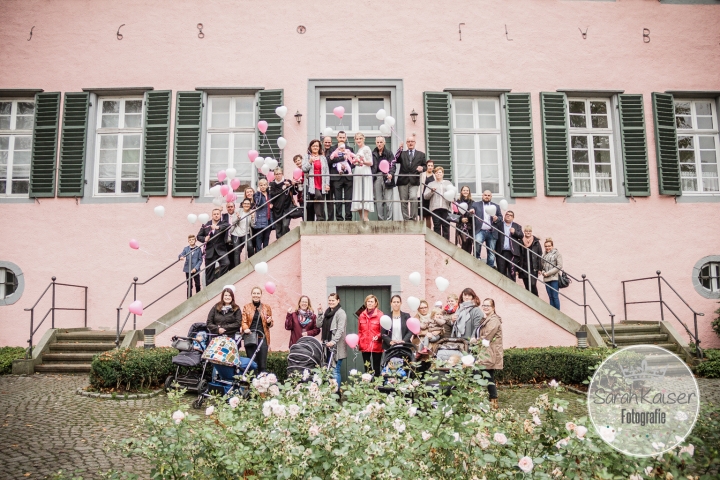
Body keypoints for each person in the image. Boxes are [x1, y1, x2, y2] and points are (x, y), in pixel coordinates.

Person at [473, 298, 503, 410]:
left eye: (488, 306)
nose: (485, 307)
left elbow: (487, 335)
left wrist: (475, 340)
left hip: (489, 352)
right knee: (487, 375)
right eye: (484, 305)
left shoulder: (494, 320)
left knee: (485, 374)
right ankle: (492, 400)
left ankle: (492, 401)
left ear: (493, 307)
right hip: (485, 350)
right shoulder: (486, 319)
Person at [317, 293, 347, 388]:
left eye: (333, 300)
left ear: (338, 301)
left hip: (336, 347)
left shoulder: (341, 313)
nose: (331, 302)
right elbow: (318, 325)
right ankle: (330, 391)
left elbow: (340, 330)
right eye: (329, 300)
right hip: (327, 345)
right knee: (328, 370)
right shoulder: (327, 313)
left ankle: (336, 392)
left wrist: (333, 341)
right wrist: (320, 313)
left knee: (335, 371)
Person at [241, 286, 273, 373]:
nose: (256, 295)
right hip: (250, 337)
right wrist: (246, 328)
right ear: (251, 294)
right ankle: (252, 380)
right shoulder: (246, 307)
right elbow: (243, 321)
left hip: (262, 337)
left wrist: (269, 322)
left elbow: (270, 324)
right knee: (252, 364)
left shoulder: (266, 307)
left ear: (261, 295)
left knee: (262, 364)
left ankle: (262, 380)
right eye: (254, 293)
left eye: (258, 293)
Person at [395, 134, 427, 221]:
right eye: (408, 141)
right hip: (402, 181)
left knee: (413, 197)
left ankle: (413, 218)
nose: (410, 143)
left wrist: (422, 168)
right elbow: (396, 160)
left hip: (414, 181)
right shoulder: (402, 153)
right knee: (403, 201)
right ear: (406, 143)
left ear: (415, 143)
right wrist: (399, 149)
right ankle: (406, 218)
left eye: (412, 141)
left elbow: (425, 166)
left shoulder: (421, 154)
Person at [197, 208, 230, 285]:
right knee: (209, 271)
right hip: (209, 251)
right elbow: (198, 236)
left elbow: (228, 226)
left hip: (221, 250)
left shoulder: (223, 223)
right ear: (212, 215)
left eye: (217, 214)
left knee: (226, 263)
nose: (216, 215)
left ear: (220, 215)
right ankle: (209, 288)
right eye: (214, 214)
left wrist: (217, 227)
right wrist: (204, 239)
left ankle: (220, 281)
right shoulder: (206, 224)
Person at [469, 190, 503, 266]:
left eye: (488, 195)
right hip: (480, 230)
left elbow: (501, 218)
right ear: (482, 196)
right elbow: (470, 214)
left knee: (491, 251)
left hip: (492, 231)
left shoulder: (496, 206)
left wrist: (497, 219)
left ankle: (490, 266)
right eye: (485, 195)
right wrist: (471, 211)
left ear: (491, 197)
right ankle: (477, 259)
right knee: (477, 242)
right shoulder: (475, 204)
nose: (487, 197)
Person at [327, 131, 354, 221]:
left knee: (348, 199)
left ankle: (348, 218)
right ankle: (339, 219)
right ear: (337, 138)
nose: (342, 139)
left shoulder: (349, 149)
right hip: (336, 177)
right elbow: (329, 161)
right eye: (340, 137)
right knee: (338, 199)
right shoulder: (332, 149)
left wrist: (346, 167)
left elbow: (353, 162)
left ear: (345, 138)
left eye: (343, 137)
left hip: (348, 177)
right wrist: (342, 158)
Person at [302, 139, 330, 221]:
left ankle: (319, 219)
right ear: (310, 147)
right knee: (318, 196)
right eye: (313, 146)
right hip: (312, 183)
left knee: (319, 201)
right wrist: (310, 162)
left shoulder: (323, 158)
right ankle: (320, 218)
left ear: (319, 147)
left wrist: (327, 184)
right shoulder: (307, 157)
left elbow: (327, 171)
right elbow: (304, 169)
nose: (315, 147)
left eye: (317, 146)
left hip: (322, 182)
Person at [423, 166, 453, 240]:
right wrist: (431, 191)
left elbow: (453, 194)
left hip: (446, 207)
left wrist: (451, 197)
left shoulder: (448, 183)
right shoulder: (431, 184)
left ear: (443, 174)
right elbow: (425, 196)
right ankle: (438, 242)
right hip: (435, 208)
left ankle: (446, 243)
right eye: (436, 173)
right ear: (435, 174)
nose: (438, 174)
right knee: (437, 225)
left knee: (446, 226)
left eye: (440, 172)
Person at [357, 294, 383, 376]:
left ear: (375, 303)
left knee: (376, 368)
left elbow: (383, 331)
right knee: (367, 368)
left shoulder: (380, 315)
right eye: (368, 301)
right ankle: (368, 383)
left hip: (376, 345)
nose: (370, 303)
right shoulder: (362, 315)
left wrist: (378, 336)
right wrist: (358, 341)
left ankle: (377, 383)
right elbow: (360, 331)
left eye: (372, 302)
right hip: (364, 345)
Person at [350, 132, 374, 221]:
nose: (358, 140)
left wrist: (362, 162)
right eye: (357, 139)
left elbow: (370, 162)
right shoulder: (358, 150)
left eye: (360, 138)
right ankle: (362, 218)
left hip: (364, 172)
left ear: (363, 139)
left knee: (364, 192)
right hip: (358, 173)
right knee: (359, 193)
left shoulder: (366, 148)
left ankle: (365, 218)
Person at [372, 136, 396, 221]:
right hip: (377, 177)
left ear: (384, 143)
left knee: (388, 200)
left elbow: (393, 165)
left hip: (387, 176)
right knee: (378, 201)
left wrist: (391, 174)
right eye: (378, 142)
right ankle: (380, 220)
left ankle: (389, 220)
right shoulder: (373, 153)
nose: (379, 144)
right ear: (376, 143)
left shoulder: (389, 153)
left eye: (381, 142)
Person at [495, 210, 524, 281]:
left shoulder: (517, 226)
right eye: (507, 214)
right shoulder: (499, 224)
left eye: (510, 215)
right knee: (501, 271)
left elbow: (521, 235)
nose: (508, 216)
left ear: (513, 218)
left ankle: (512, 286)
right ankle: (501, 286)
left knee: (512, 272)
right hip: (501, 251)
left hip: (512, 253)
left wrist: (514, 232)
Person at [269, 168, 293, 239]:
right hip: (276, 208)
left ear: (282, 174)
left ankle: (285, 239)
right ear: (274, 175)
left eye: (279, 173)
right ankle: (280, 241)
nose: (278, 175)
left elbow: (294, 192)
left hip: (286, 207)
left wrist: (291, 186)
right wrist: (282, 189)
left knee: (285, 225)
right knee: (278, 228)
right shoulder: (272, 184)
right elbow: (272, 194)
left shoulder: (287, 181)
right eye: (276, 174)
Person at [518, 225, 543, 296]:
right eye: (526, 231)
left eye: (529, 231)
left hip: (533, 267)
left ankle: (536, 299)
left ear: (531, 232)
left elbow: (539, 255)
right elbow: (519, 254)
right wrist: (518, 269)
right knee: (527, 286)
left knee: (532, 284)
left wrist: (540, 268)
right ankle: (530, 299)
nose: (528, 232)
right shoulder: (520, 241)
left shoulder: (536, 241)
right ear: (524, 232)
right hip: (524, 266)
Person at [540, 238, 563, 310]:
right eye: (546, 246)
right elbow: (542, 267)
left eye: (549, 246)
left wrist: (548, 273)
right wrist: (543, 273)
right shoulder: (544, 255)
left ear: (552, 246)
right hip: (546, 278)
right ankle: (552, 312)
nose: (547, 248)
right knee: (550, 297)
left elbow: (559, 266)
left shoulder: (557, 254)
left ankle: (557, 313)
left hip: (554, 278)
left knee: (555, 296)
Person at [228, 198, 253, 264]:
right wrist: (238, 218)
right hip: (236, 234)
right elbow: (233, 222)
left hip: (245, 233)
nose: (246, 205)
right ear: (242, 204)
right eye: (245, 203)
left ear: (250, 205)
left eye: (248, 204)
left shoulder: (251, 212)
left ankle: (251, 262)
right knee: (237, 250)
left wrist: (253, 218)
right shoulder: (238, 210)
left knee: (250, 247)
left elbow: (253, 225)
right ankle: (237, 267)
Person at [252, 179, 273, 252]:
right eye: (261, 185)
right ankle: (258, 253)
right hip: (260, 219)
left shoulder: (269, 194)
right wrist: (259, 193)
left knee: (266, 237)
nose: (263, 186)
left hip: (268, 219)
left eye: (264, 185)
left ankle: (265, 253)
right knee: (259, 238)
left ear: (267, 185)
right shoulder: (256, 194)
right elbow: (258, 203)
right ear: (258, 186)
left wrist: (271, 205)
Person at [455, 186, 474, 254]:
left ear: (469, 192)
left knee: (469, 243)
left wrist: (469, 217)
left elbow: (474, 215)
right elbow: (454, 215)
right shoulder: (457, 202)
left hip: (470, 226)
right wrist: (461, 219)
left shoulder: (472, 202)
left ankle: (468, 258)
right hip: (460, 225)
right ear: (461, 191)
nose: (465, 192)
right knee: (463, 242)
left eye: (467, 190)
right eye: (464, 190)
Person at [322, 136, 335, 220]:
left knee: (330, 200)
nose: (327, 144)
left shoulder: (333, 151)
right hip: (321, 179)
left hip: (331, 178)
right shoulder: (320, 151)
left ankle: (330, 219)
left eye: (329, 142)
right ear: (323, 142)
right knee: (321, 200)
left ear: (331, 143)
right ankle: (322, 218)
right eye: (326, 142)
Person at [419, 160, 435, 228]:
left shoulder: (434, 176)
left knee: (429, 216)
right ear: (426, 166)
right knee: (421, 216)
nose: (430, 167)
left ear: (433, 167)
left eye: (431, 166)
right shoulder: (422, 175)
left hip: (430, 198)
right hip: (422, 197)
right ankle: (421, 231)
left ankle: (428, 232)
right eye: (429, 165)